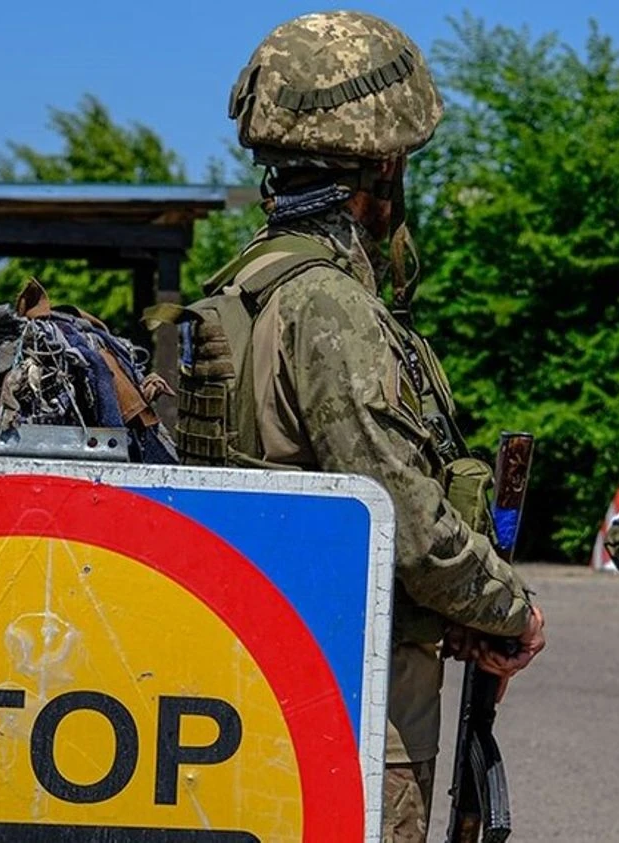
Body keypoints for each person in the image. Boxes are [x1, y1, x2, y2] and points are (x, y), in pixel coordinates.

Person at [175, 12, 545, 841]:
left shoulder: (245, 287)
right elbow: (405, 520)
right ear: (383, 167)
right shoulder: (330, 305)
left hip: (262, 685)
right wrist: (509, 609)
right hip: (354, 706)